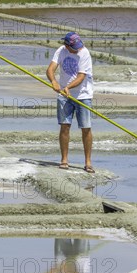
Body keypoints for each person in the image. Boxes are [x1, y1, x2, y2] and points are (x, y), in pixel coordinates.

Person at [46, 32, 95, 173]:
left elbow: (81, 77)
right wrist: (54, 81)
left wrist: (68, 87)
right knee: (65, 126)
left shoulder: (84, 53)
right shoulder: (61, 51)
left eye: (78, 46)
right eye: (74, 47)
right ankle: (64, 160)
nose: (77, 49)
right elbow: (50, 69)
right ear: (66, 45)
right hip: (63, 95)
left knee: (86, 128)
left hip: (83, 95)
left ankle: (88, 162)